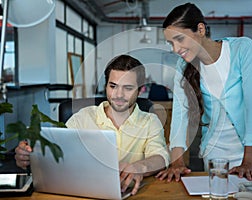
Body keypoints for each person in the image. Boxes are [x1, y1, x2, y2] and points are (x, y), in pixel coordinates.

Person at [15, 54, 170, 195]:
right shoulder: (82, 117)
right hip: (82, 193)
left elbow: (160, 158)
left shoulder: (150, 121)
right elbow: (57, 155)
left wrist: (138, 167)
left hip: (130, 193)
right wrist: (29, 157)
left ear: (141, 90)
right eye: (113, 86)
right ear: (106, 86)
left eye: (128, 88)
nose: (118, 95)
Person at [155, 3, 252, 182]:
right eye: (171, 43)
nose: (175, 49)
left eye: (180, 39)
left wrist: (248, 161)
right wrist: (176, 162)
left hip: (249, 152)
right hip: (214, 152)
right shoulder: (183, 65)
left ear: (200, 29)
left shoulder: (243, 49)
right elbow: (179, 114)